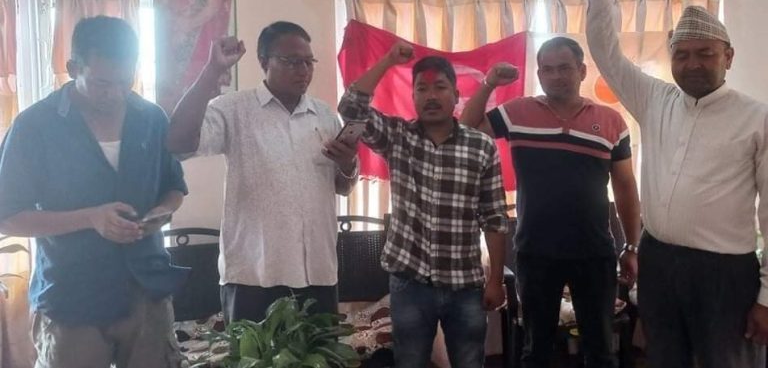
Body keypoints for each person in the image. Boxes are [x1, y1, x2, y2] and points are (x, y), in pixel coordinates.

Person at [587, 0, 768, 368]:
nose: (692, 64)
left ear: (728, 57)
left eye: (705, 53)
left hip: (725, 273)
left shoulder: (757, 119)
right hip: (659, 262)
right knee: (665, 359)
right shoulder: (656, 99)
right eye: (681, 54)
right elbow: (607, 55)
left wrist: (766, 297)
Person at [0, 16, 189, 368]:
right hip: (73, 298)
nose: (115, 93)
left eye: (125, 81)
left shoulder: (151, 118)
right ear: (73, 68)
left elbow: (174, 188)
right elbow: (7, 216)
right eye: (102, 83)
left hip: (145, 289)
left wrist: (160, 214)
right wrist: (90, 218)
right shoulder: (34, 126)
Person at [460, 37, 641, 368]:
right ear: (539, 74)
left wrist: (631, 245)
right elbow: (466, 128)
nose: (556, 76)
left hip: (595, 253)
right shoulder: (518, 112)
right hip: (536, 252)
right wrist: (489, 83)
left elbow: (626, 187)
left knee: (600, 350)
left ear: (582, 71)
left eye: (565, 68)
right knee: (536, 350)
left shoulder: (611, 121)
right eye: (548, 69)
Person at [166, 22, 359, 323]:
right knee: (253, 351)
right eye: (291, 61)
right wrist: (211, 71)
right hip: (254, 276)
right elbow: (178, 142)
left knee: (319, 350)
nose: (303, 70)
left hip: (318, 272)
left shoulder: (324, 115)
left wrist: (347, 164)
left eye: (308, 62)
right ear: (263, 61)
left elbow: (342, 187)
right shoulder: (233, 109)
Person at [337, 42, 509, 368]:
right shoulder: (397, 137)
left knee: (470, 363)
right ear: (413, 97)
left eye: (440, 87)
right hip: (410, 284)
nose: (431, 96)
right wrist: (388, 60)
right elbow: (350, 108)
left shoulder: (481, 147)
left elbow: (495, 217)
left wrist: (496, 279)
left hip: (465, 284)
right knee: (410, 362)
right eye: (422, 89)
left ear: (456, 95)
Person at [156, 0, 233, 114]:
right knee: (180, 95)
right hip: (178, 43)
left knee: (206, 95)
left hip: (204, 42)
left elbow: (212, 9)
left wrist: (188, 26)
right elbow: (164, 10)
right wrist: (177, 29)